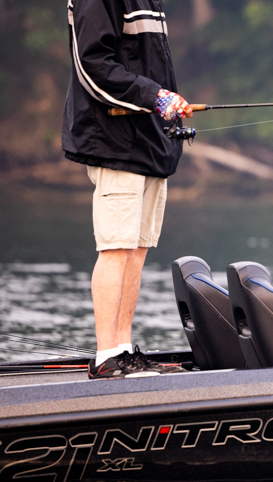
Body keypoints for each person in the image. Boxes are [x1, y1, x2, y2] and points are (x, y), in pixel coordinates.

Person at [63, 0, 191, 379]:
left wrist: (167, 104)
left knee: (136, 249)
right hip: (114, 142)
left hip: (149, 143)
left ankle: (123, 350)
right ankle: (107, 355)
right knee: (116, 247)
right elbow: (93, 67)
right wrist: (156, 97)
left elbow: (151, 68)